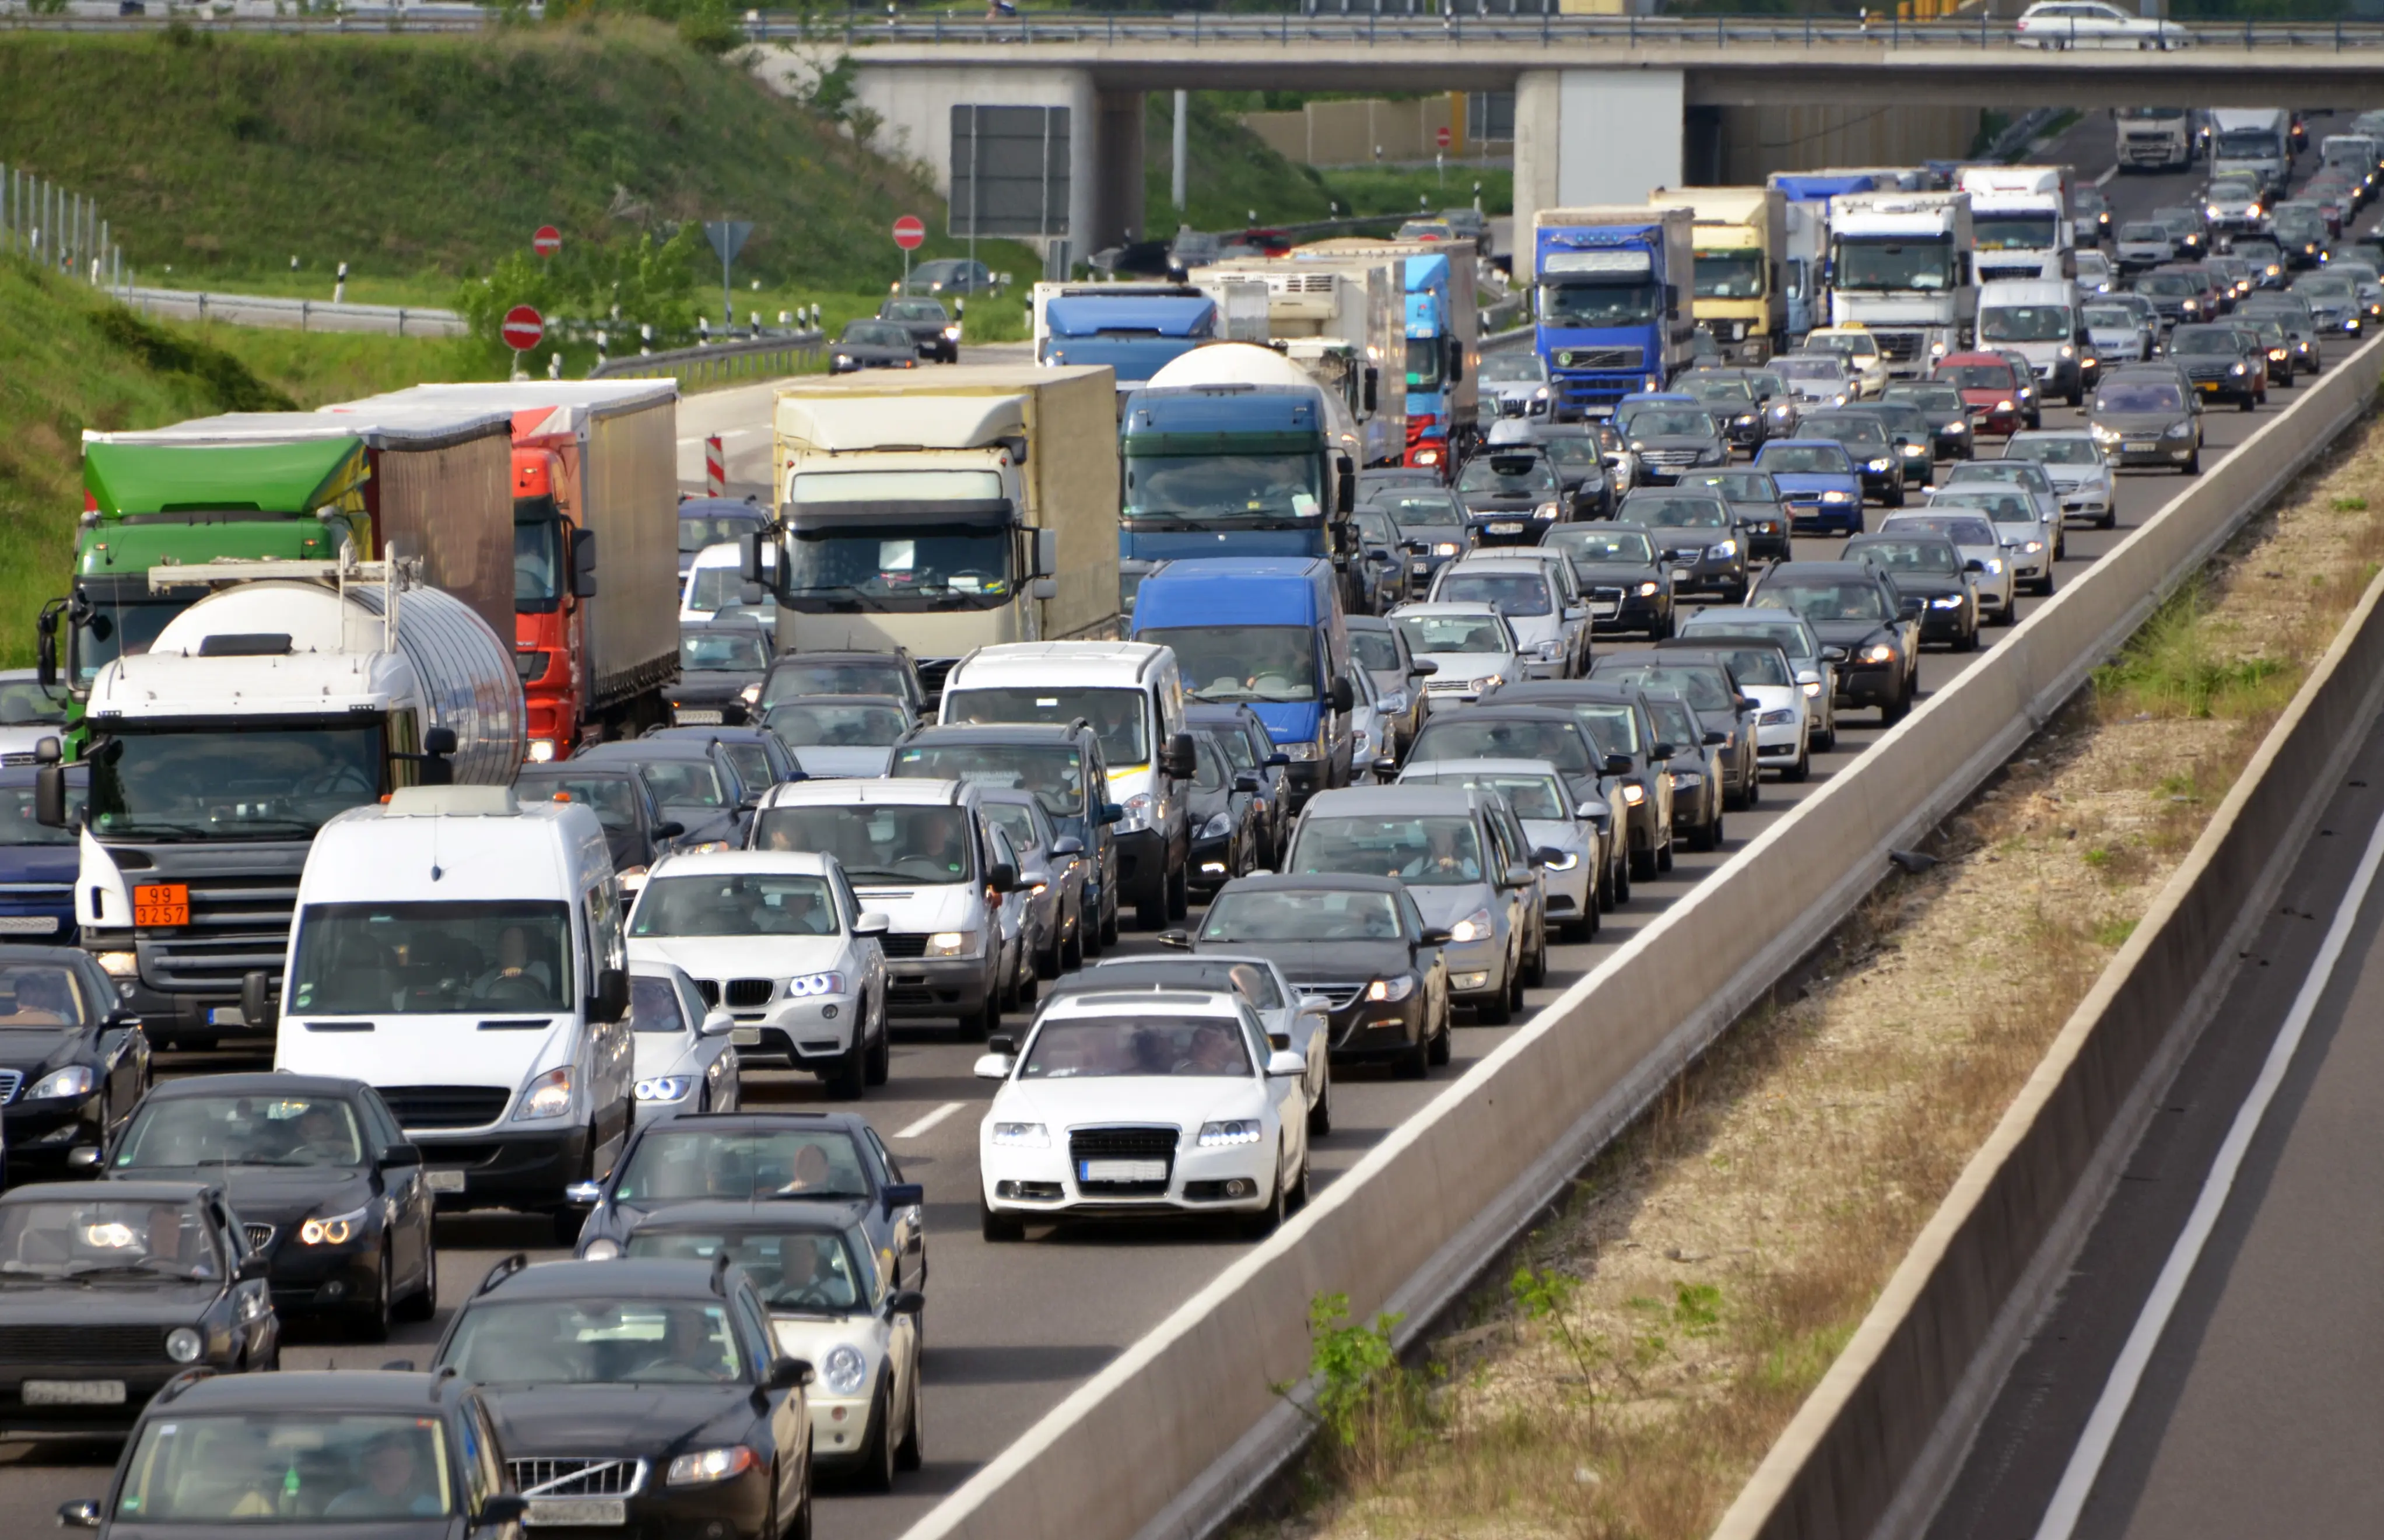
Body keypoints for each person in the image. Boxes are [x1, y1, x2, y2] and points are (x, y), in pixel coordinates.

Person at [325, 1430, 443, 1518]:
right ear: (368, 1470)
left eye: (398, 1466)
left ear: (412, 1469)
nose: (389, 1473)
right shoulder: (343, 1507)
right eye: (382, 1465)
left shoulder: (434, 1510)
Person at [472, 925, 555, 1003]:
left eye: (513, 941)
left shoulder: (540, 968)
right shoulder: (486, 979)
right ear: (498, 948)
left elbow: (540, 988)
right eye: (504, 943)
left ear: (525, 946)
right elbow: (479, 1002)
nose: (507, 947)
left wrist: (517, 975)